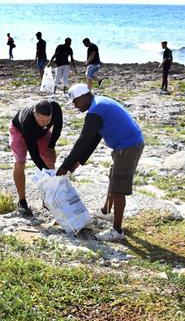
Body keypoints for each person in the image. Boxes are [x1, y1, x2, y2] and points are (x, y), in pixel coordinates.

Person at [56, 84, 144, 242]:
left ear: (83, 96)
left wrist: (65, 166)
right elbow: (94, 138)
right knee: (113, 177)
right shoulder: (99, 103)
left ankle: (117, 231)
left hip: (127, 147)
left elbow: (83, 140)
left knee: (118, 189)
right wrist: (78, 161)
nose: (75, 106)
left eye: (75, 102)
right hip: (126, 145)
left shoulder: (95, 111)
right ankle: (105, 211)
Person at [9, 100, 63, 216]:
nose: (44, 123)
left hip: (41, 134)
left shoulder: (55, 108)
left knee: (49, 159)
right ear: (34, 113)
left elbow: (58, 127)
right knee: (20, 162)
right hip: (20, 131)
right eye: (41, 120)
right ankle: (22, 202)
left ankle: (48, 199)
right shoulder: (27, 121)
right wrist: (46, 173)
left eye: (47, 120)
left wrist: (51, 147)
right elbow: (34, 153)